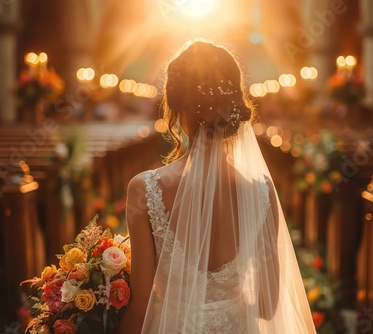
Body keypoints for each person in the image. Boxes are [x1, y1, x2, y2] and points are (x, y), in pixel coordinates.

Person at [119, 40, 315, 333]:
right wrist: (223, 308)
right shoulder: (262, 192)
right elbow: (268, 304)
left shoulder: (145, 189)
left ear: (175, 106)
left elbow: (140, 308)